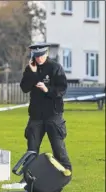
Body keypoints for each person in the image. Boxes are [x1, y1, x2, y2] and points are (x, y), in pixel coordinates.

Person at [20, 43, 72, 172]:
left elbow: (62, 89)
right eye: (36, 56)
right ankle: (28, 176)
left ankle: (65, 172)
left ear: (46, 54)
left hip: (53, 115)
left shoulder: (55, 67)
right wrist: (32, 73)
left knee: (58, 147)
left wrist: (46, 89)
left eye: (41, 56)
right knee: (32, 148)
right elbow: (24, 88)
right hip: (36, 115)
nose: (39, 59)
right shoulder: (30, 68)